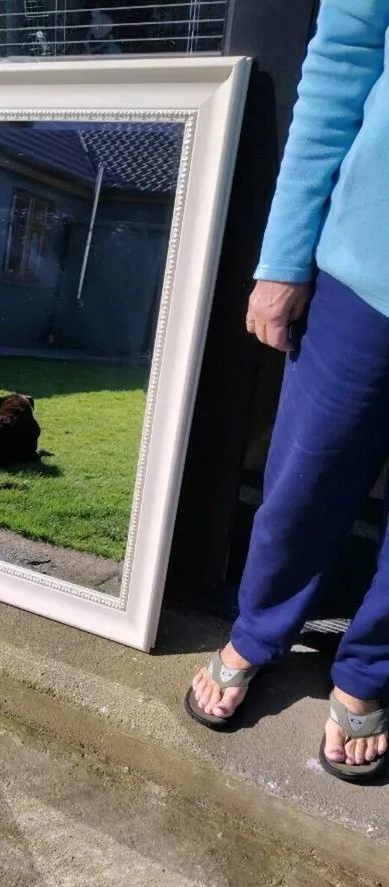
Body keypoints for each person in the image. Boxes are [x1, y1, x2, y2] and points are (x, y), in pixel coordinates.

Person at [186, 0, 389, 782]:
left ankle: (368, 668)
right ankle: (258, 631)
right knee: (305, 476)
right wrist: (283, 258)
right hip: (366, 261)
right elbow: (341, 62)